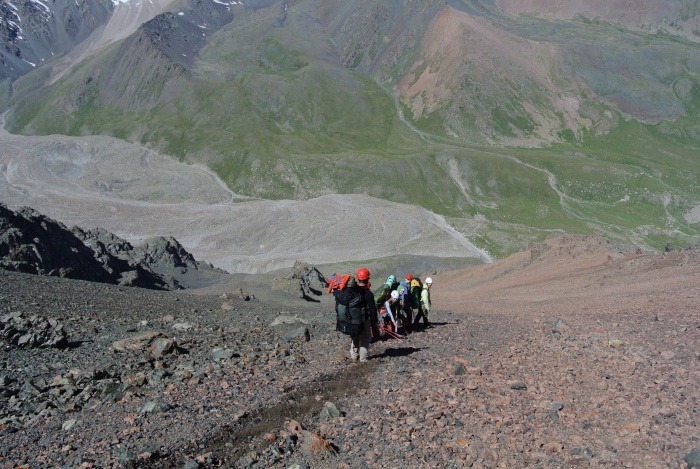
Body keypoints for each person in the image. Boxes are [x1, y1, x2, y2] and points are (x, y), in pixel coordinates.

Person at [349, 267, 377, 362]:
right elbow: (373, 309)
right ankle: (363, 358)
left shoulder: (352, 291)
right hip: (364, 319)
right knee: (365, 338)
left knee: (355, 336)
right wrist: (374, 322)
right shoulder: (368, 293)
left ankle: (353, 356)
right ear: (367, 279)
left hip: (352, 319)